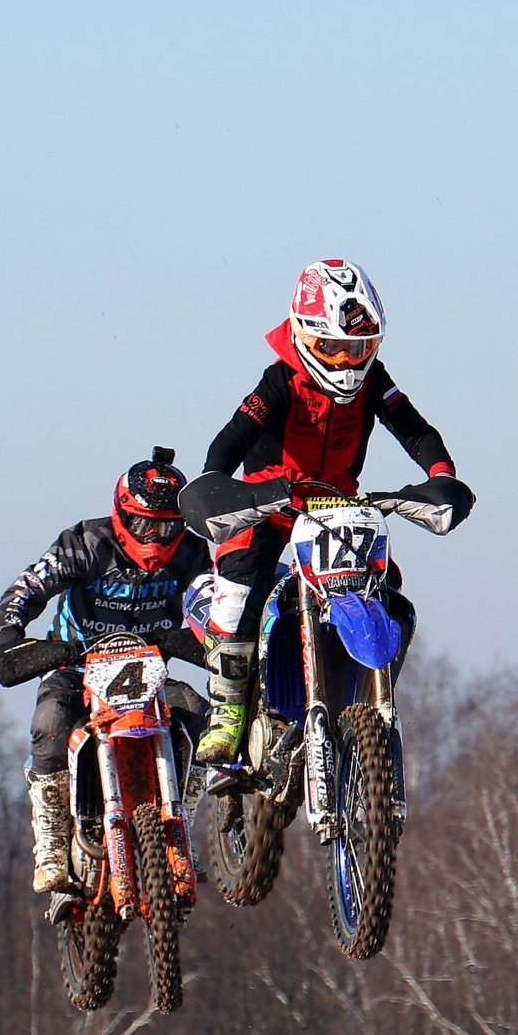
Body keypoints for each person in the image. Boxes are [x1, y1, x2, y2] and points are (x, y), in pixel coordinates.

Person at [181, 261, 474, 764]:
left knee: (389, 593)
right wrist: (214, 483)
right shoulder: (281, 380)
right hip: (268, 507)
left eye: (359, 348)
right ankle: (228, 711)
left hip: (337, 508)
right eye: (333, 348)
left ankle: (363, 696)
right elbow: (230, 439)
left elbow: (414, 429)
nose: (345, 360)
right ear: (303, 334)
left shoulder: (373, 380)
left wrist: (441, 475)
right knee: (239, 589)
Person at [0, 448, 209, 894]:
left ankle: (180, 817)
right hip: (75, 665)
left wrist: (226, 639)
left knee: (205, 718)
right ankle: (50, 841)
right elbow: (30, 584)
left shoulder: (192, 554)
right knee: (48, 725)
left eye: (168, 526)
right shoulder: (85, 543)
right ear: (122, 515)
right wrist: (9, 631)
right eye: (145, 524)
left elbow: (215, 601)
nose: (155, 536)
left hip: (150, 675)